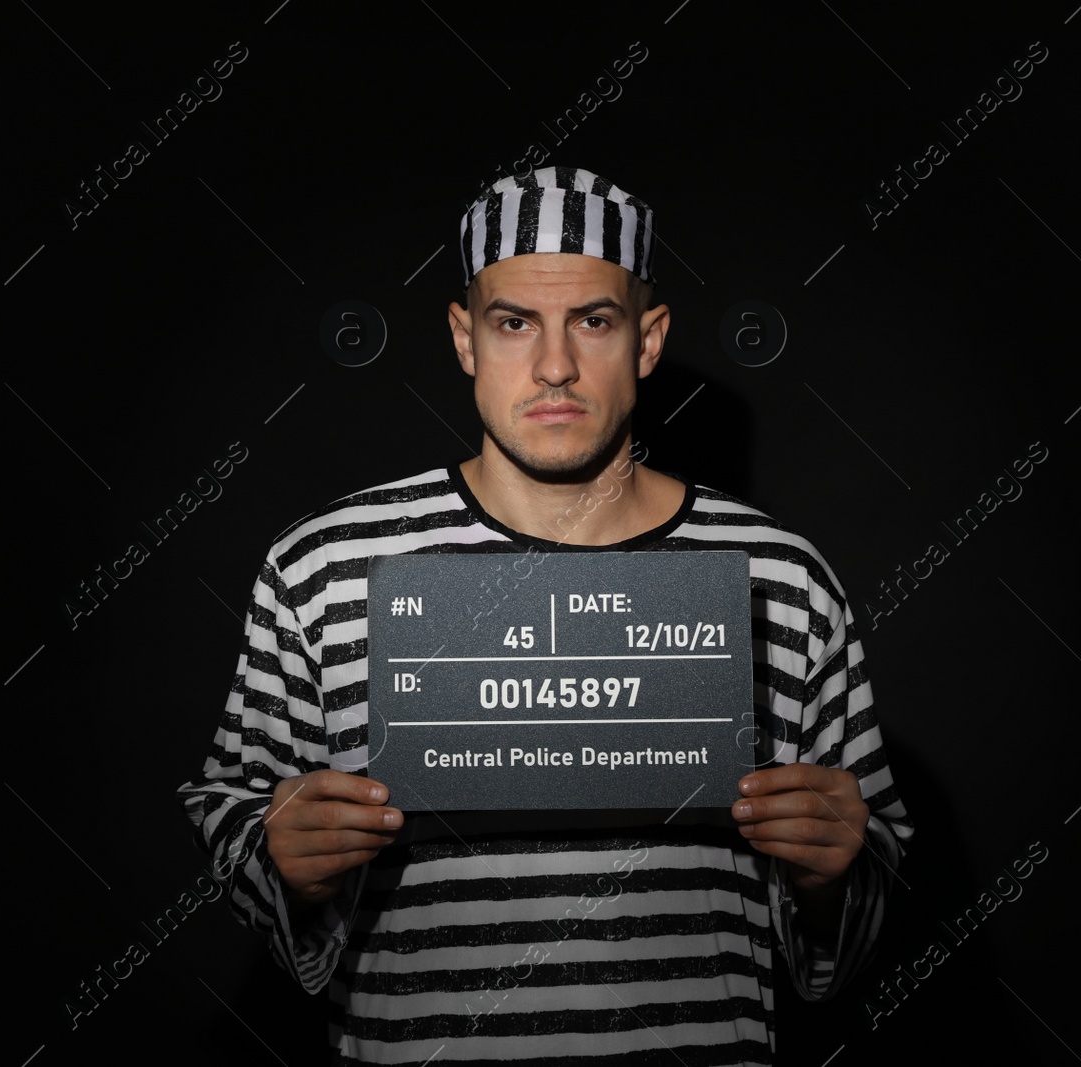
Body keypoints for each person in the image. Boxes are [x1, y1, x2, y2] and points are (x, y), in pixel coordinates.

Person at [176, 165, 913, 1064]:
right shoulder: (325, 567)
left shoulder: (781, 576)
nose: (555, 365)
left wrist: (837, 871)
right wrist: (274, 852)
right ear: (463, 338)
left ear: (648, 340)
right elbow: (229, 811)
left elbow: (873, 881)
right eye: (514, 321)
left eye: (593, 321)